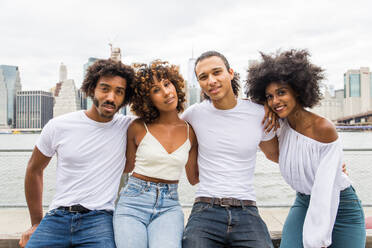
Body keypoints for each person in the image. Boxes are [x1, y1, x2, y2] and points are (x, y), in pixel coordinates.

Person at [246, 49, 366, 248]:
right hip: (304, 201)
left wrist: (316, 238)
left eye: (281, 92)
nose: (275, 101)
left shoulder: (323, 128)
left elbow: (325, 188)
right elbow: (278, 155)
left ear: (298, 90)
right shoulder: (280, 127)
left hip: (341, 204)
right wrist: (262, 107)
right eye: (269, 96)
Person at [19, 59, 135, 248]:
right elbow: (34, 169)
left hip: (100, 219)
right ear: (91, 89)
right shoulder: (59, 125)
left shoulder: (129, 127)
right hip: (57, 217)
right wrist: (36, 223)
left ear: (125, 98)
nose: (111, 97)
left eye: (119, 92)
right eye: (104, 88)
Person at [181, 51, 278, 248]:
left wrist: (326, 163)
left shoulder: (259, 113)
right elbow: (163, 131)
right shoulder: (193, 114)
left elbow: (276, 155)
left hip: (247, 209)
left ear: (231, 73)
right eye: (204, 77)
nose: (212, 81)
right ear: (199, 83)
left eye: (217, 72)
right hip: (205, 208)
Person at [113, 60, 198, 248]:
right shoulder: (137, 127)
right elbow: (126, 167)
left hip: (169, 206)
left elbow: (193, 178)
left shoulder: (190, 132)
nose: (166, 92)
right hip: (133, 202)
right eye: (156, 90)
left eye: (167, 84)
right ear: (147, 99)